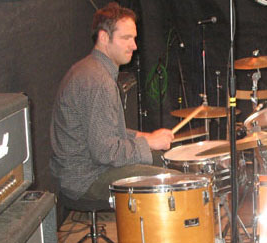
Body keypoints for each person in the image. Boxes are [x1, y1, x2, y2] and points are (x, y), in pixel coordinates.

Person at [50, 3, 176, 201]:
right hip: (86, 178)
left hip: (88, 169)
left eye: (134, 38)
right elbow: (105, 152)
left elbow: (106, 133)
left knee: (164, 160)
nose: (134, 46)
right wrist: (148, 142)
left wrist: (146, 136)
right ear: (103, 37)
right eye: (126, 38)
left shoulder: (93, 69)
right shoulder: (97, 81)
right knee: (173, 181)